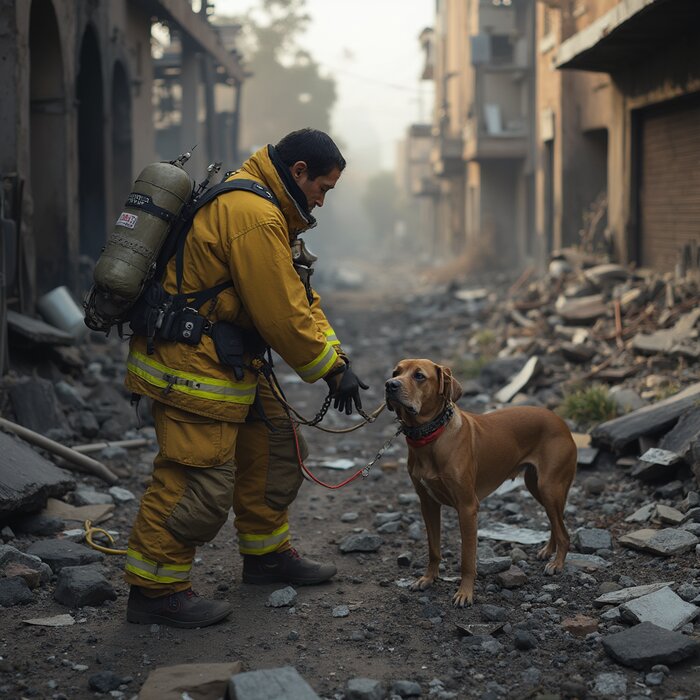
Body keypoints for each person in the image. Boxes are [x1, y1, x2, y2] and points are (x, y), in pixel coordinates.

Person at [122, 128, 369, 629]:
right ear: (298, 172)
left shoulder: (270, 211)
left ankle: (266, 555)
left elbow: (300, 298)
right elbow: (280, 314)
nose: (321, 198)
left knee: (274, 446)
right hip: (192, 368)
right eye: (323, 187)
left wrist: (335, 357)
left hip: (230, 361)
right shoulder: (253, 215)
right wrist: (329, 371)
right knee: (198, 479)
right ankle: (155, 589)